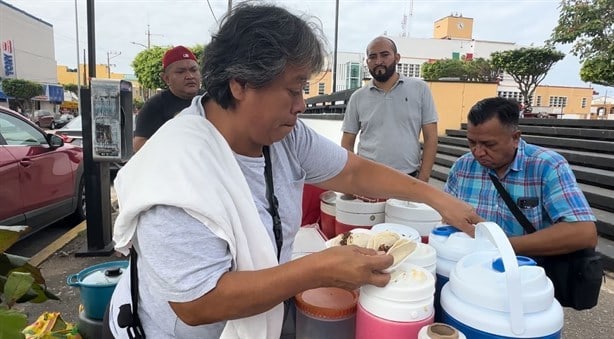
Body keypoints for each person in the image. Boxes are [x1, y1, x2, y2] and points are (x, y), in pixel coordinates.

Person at [105, 4, 481, 338]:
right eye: (294, 89)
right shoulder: (177, 169)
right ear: (240, 85)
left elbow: (352, 172)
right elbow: (197, 304)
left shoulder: (284, 135)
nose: (302, 105)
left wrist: (436, 197)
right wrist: (317, 270)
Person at [444, 97, 597, 256]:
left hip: (530, 271)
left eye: (489, 145)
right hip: (470, 266)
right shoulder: (463, 167)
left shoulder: (547, 166)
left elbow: (583, 232)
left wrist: (501, 247)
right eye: (472, 142)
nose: (478, 152)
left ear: (515, 138)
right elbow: (447, 216)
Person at [341, 36, 438, 182]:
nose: (378, 61)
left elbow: (431, 138)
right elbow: (347, 142)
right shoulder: (358, 97)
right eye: (372, 57)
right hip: (367, 178)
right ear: (367, 62)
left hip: (408, 178)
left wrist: (423, 179)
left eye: (385, 55)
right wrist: (352, 178)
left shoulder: (419, 89)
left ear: (397, 57)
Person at [132, 45, 201, 152]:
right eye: (180, 72)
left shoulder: (211, 99)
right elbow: (139, 144)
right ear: (166, 78)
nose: (190, 76)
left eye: (194, 70)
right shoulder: (155, 106)